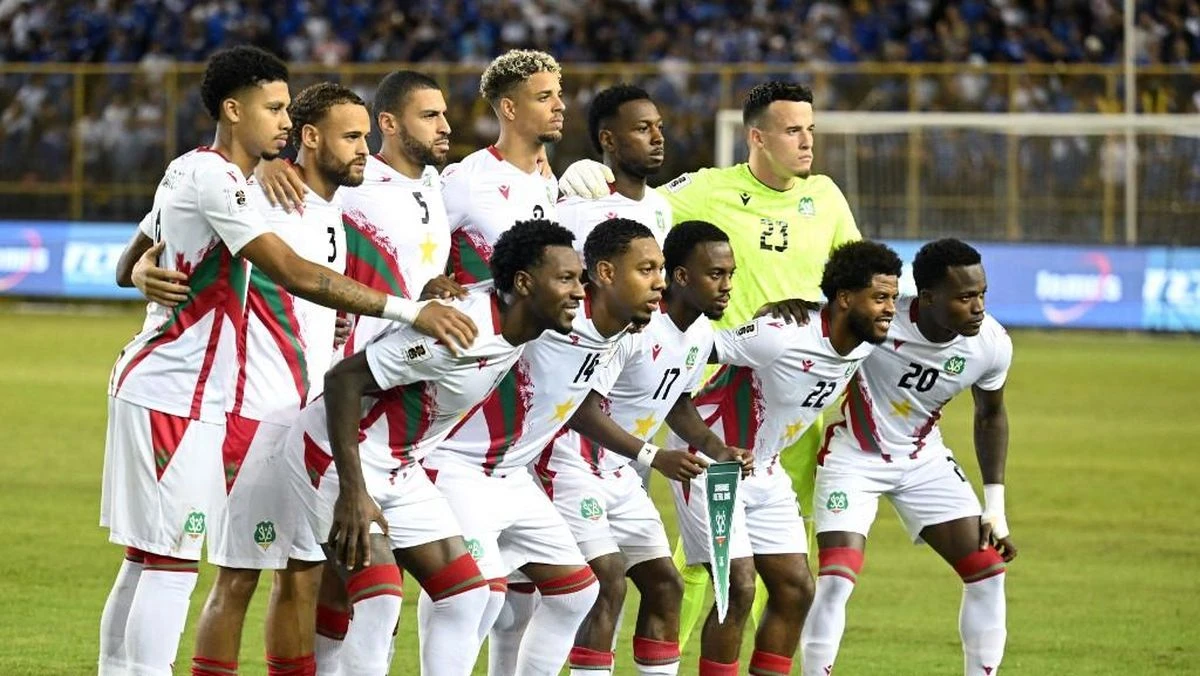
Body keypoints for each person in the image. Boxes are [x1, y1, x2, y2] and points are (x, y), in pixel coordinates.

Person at [98, 46, 474, 676]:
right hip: (213, 402)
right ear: (237, 111)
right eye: (274, 109)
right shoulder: (245, 188)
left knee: (284, 570)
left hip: (294, 415)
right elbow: (293, 272)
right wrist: (412, 313)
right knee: (191, 566)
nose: (284, 120)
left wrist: (425, 289)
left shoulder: (337, 204)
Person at [560, 80, 862, 646]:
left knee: (780, 557)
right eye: (793, 130)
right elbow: (628, 210)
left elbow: (855, 281)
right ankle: (670, 651)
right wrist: (588, 171)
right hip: (712, 390)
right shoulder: (704, 189)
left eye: (810, 130)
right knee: (709, 560)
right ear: (757, 137)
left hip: (795, 402)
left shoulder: (825, 196)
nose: (807, 142)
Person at [283, 219, 587, 676]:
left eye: (580, 278)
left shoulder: (511, 315)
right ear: (525, 284)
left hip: (400, 467)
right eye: (566, 279)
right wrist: (353, 491)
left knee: (466, 596)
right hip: (334, 455)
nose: (579, 291)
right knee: (380, 600)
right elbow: (343, 379)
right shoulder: (459, 334)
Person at [424, 218, 698, 675]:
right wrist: (432, 291)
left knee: (577, 593)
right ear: (606, 274)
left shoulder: (624, 326)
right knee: (475, 596)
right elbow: (512, 290)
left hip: (513, 474)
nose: (660, 282)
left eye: (661, 270)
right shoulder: (558, 312)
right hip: (458, 465)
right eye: (646, 269)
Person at [671, 239, 901, 675]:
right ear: (846, 299)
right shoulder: (782, 334)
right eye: (880, 298)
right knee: (737, 589)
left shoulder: (865, 342)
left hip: (765, 467)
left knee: (796, 590)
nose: (890, 309)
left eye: (893, 297)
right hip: (709, 462)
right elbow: (694, 348)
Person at [540, 220, 750, 675]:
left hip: (619, 473)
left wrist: (719, 449)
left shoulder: (698, 335)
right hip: (570, 463)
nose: (727, 286)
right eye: (716, 274)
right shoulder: (634, 328)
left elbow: (675, 400)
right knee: (607, 582)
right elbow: (580, 409)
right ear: (682, 277)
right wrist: (655, 456)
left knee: (665, 585)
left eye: (730, 274)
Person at [801, 238, 1016, 676]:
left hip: (923, 460)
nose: (978, 307)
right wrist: (788, 306)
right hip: (854, 457)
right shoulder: (880, 318)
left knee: (988, 572)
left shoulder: (991, 343)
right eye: (964, 297)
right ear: (928, 297)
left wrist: (995, 506)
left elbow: (990, 415)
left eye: (981, 294)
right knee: (837, 577)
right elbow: (824, 316)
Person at [441, 49, 563, 283]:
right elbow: (413, 243)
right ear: (509, 108)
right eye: (544, 97)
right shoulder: (466, 179)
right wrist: (431, 284)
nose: (560, 105)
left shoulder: (547, 178)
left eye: (558, 95)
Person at [557, 84, 672, 250]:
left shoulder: (661, 206)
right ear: (608, 140)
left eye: (659, 127)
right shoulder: (574, 209)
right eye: (643, 128)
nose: (658, 138)